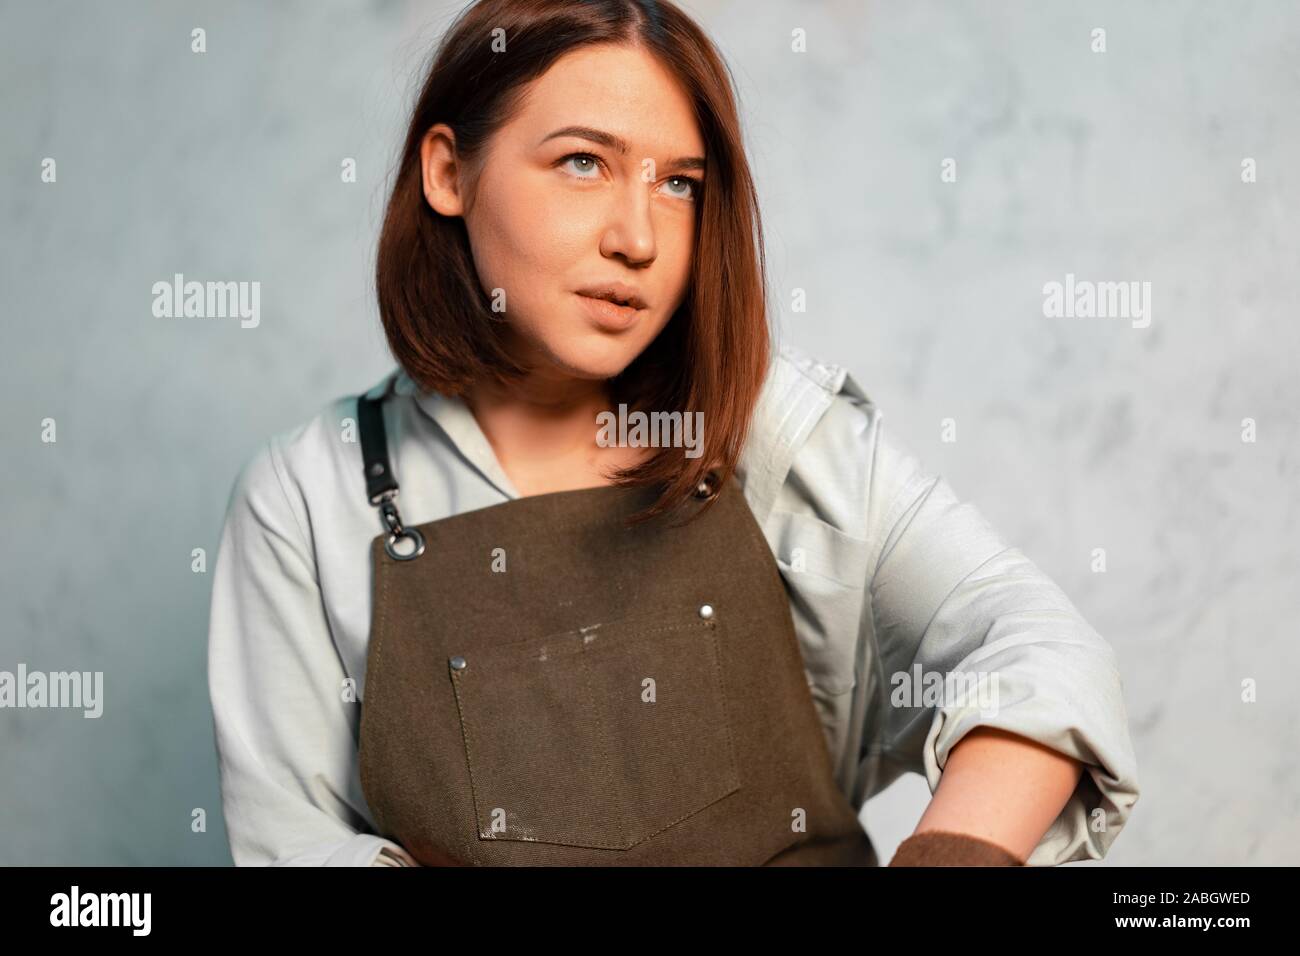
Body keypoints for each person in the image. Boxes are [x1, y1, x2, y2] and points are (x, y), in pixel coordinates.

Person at [206, 0, 1139, 867]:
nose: (638, 238)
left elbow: (1039, 650)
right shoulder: (308, 497)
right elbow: (298, 850)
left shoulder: (767, 432)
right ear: (448, 172)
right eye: (583, 162)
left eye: (679, 184)